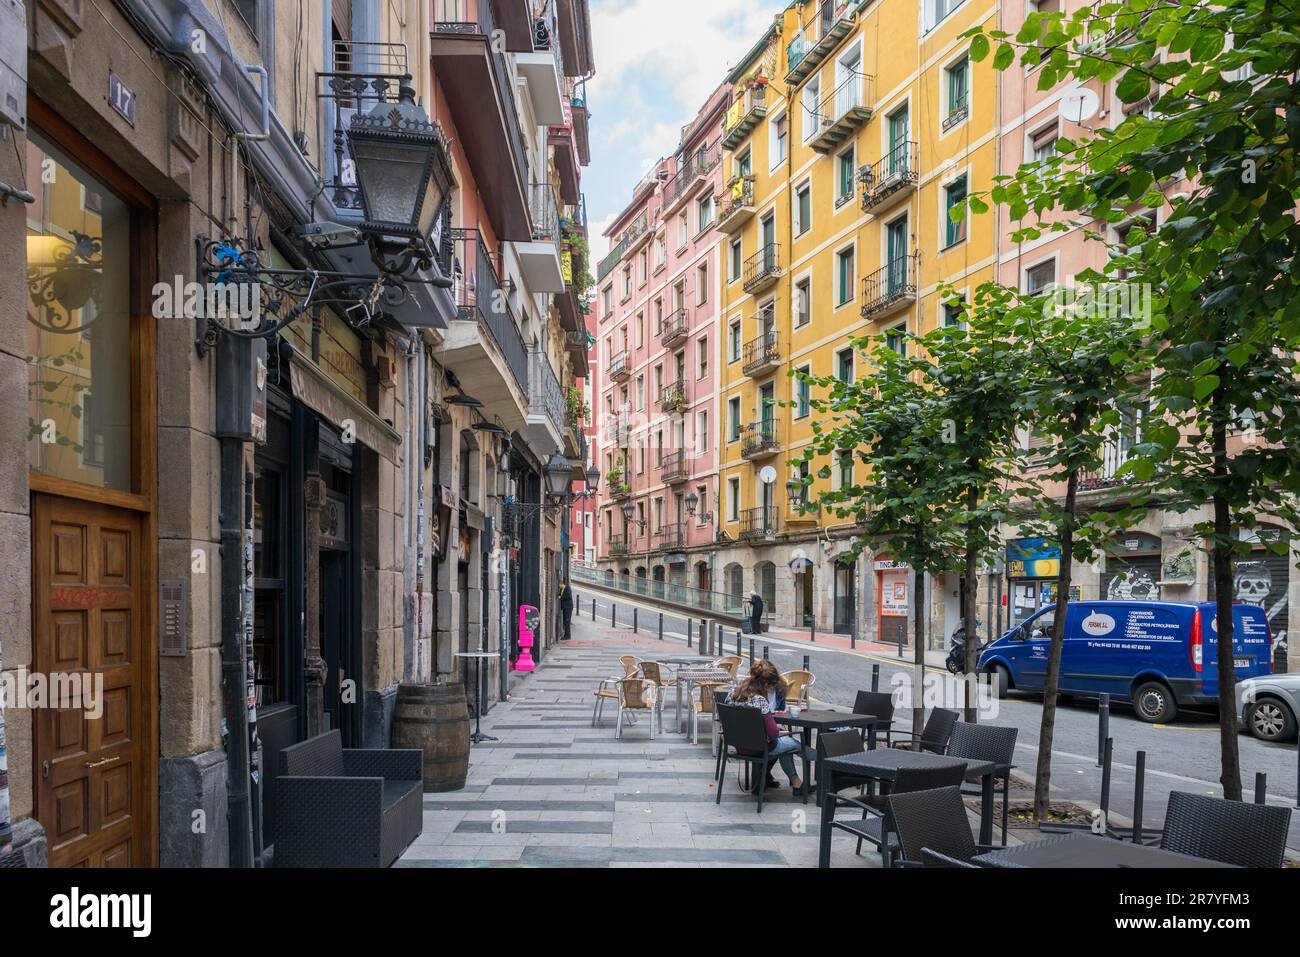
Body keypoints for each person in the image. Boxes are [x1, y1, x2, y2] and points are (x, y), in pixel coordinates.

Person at [729, 661, 813, 794]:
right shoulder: (760, 700)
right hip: (760, 747)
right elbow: (773, 734)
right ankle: (822, 759)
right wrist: (779, 731)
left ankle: (797, 784)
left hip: (739, 745)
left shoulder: (733, 694)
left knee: (786, 744)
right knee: (794, 744)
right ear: (766, 685)